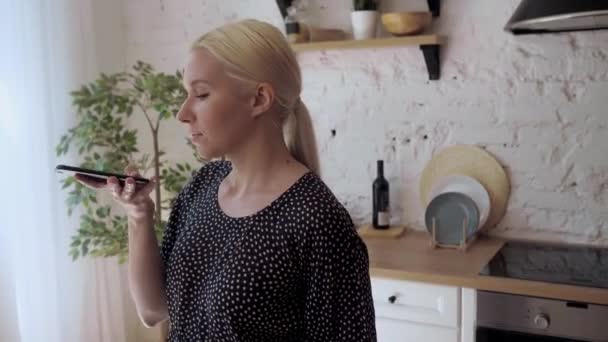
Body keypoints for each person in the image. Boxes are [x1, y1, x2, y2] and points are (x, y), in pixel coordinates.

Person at [75, 19, 376, 341]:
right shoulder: (202, 186)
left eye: (201, 94)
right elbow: (153, 309)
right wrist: (138, 214)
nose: (182, 113)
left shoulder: (317, 220)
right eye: (186, 94)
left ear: (259, 99)